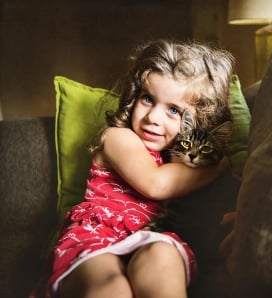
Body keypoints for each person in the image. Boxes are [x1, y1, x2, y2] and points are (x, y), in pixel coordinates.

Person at [31, 39, 235, 298]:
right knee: (112, 287)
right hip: (97, 234)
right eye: (147, 99)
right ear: (134, 96)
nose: (152, 118)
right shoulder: (118, 138)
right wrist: (220, 166)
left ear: (197, 121)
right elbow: (155, 183)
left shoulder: (181, 157)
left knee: (163, 258)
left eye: (173, 110)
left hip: (154, 237)